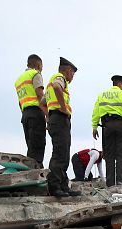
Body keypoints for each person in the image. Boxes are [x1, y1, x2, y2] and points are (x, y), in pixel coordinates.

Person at [91, 75, 122, 187]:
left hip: (107, 127)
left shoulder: (101, 95)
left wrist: (94, 127)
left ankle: (110, 182)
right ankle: (119, 181)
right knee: (121, 154)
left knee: (109, 155)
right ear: (119, 84)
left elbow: (96, 112)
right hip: (121, 125)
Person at [44, 57, 81, 197]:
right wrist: (63, 108)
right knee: (60, 154)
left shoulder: (50, 84)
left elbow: (42, 103)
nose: (72, 77)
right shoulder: (59, 78)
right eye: (73, 73)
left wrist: (48, 116)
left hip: (55, 118)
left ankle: (63, 185)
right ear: (68, 70)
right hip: (60, 118)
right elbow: (56, 87)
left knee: (64, 154)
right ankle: (55, 187)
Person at [14, 54, 47, 165]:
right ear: (38, 65)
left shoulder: (19, 80)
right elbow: (40, 94)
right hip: (36, 113)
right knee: (38, 145)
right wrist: (47, 114)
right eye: (42, 66)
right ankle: (35, 170)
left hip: (25, 115)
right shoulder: (35, 74)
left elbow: (20, 102)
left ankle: (32, 168)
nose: (42, 69)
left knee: (31, 145)